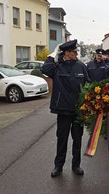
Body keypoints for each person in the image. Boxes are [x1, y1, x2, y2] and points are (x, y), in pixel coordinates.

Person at [42, 39, 90, 177]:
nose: (76, 53)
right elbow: (45, 69)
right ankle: (58, 166)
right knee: (62, 139)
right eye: (74, 51)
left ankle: (76, 165)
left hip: (77, 111)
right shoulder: (57, 67)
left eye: (76, 51)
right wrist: (53, 54)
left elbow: (88, 84)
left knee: (77, 139)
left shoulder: (81, 67)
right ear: (67, 53)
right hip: (63, 110)